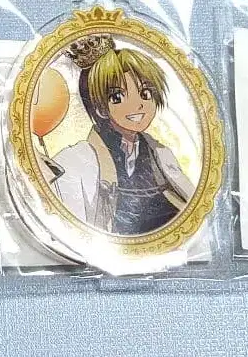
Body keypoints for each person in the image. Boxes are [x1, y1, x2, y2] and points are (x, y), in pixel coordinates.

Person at [51, 36, 194, 235]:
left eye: (145, 93)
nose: (139, 105)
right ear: (100, 108)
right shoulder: (78, 160)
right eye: (117, 97)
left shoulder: (162, 154)